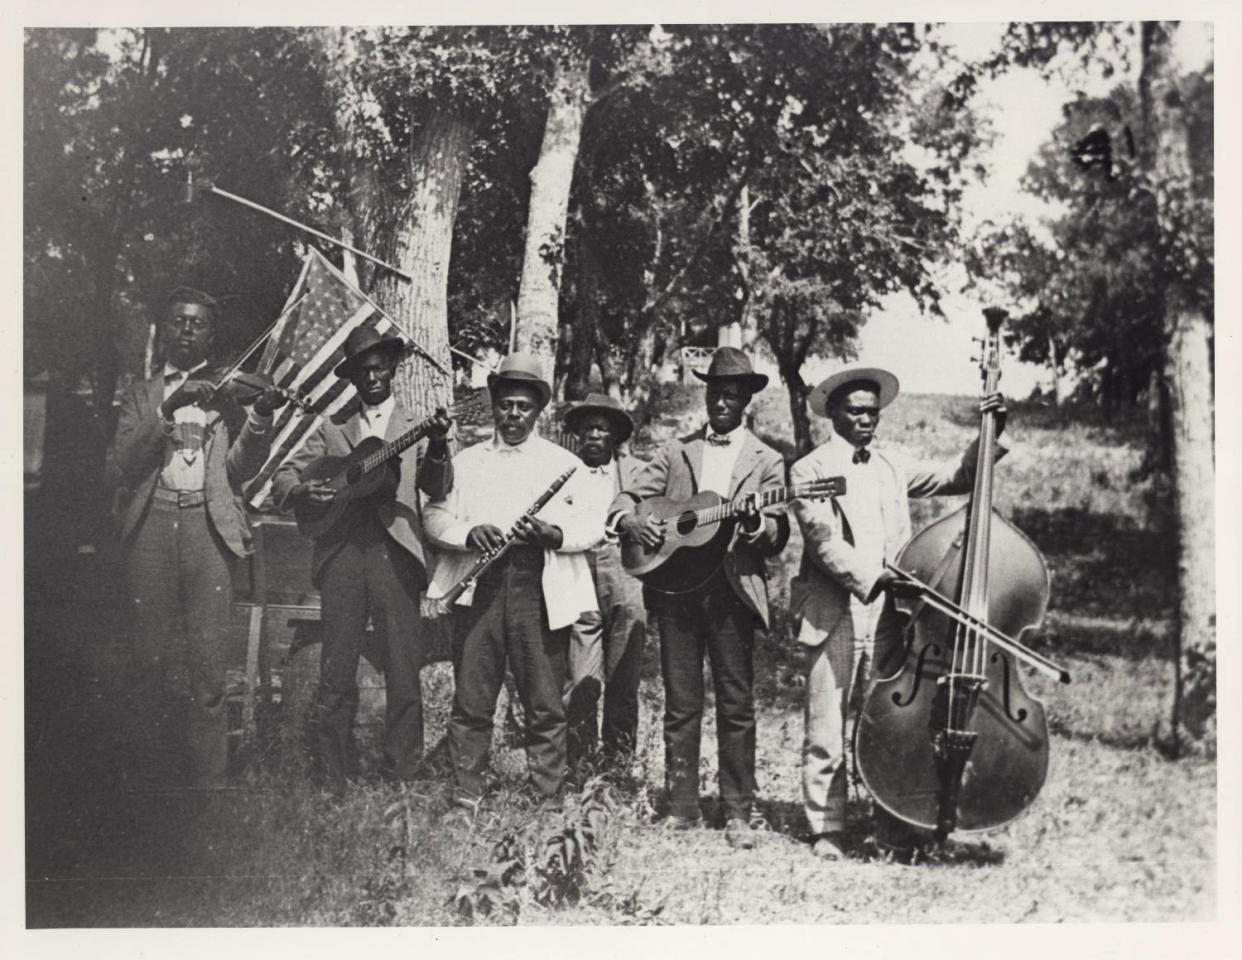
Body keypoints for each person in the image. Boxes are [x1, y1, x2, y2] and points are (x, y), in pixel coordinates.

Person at [788, 364, 1007, 861]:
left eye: (873, 412)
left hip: (890, 616)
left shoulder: (891, 466)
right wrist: (878, 576)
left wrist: (991, 432)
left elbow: (960, 476)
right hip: (834, 611)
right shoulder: (809, 469)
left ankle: (890, 820)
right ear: (835, 415)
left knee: (886, 721)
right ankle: (827, 828)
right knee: (826, 725)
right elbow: (823, 543)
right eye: (856, 412)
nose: (866, 420)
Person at [609, 346, 790, 849]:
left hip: (732, 591)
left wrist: (755, 521)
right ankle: (682, 807)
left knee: (736, 704)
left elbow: (777, 532)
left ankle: (737, 812)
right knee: (680, 702)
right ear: (706, 395)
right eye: (715, 392)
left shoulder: (767, 459)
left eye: (732, 394)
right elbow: (629, 496)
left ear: (746, 401)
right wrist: (631, 521)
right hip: (676, 591)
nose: (722, 402)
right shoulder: (676, 450)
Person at [113, 286, 286, 788]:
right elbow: (123, 464)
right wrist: (169, 408)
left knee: (209, 669)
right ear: (165, 330)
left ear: (211, 334)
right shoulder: (142, 391)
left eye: (198, 324)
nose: (187, 330)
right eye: (179, 321)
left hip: (208, 529)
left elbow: (241, 470)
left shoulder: (227, 392)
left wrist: (261, 416)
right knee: (147, 661)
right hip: (152, 524)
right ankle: (143, 785)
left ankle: (209, 790)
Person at [272, 326, 452, 788]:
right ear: (352, 377)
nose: (372, 377)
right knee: (337, 669)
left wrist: (436, 444)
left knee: (403, 668)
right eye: (362, 371)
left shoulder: (415, 424)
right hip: (343, 553)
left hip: (395, 553)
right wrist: (300, 489)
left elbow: (438, 487)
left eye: (379, 368)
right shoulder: (333, 427)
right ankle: (332, 775)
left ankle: (401, 776)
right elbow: (285, 474)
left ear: (392, 369)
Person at [424, 353, 602, 813]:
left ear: (538, 409)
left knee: (544, 699)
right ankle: (466, 794)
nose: (514, 415)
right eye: (506, 405)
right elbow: (434, 516)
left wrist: (554, 534)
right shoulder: (467, 461)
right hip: (480, 586)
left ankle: (546, 797)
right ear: (494, 406)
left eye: (523, 406)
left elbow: (592, 524)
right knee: (473, 696)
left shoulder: (565, 464)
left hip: (538, 587)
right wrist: (469, 533)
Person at [561, 393, 648, 773]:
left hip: (626, 572)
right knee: (581, 677)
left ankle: (618, 767)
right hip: (577, 571)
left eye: (603, 429)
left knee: (624, 677)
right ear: (578, 434)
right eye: (588, 429)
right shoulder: (564, 472)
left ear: (615, 436)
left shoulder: (639, 473)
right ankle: (578, 765)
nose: (594, 436)